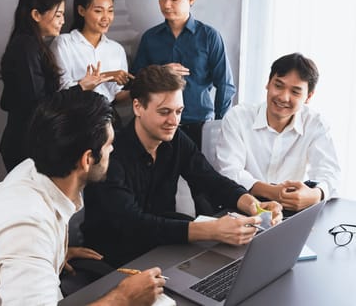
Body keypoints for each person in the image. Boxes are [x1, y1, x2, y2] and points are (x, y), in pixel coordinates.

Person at [0, 89, 165, 305]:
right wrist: (124, 298)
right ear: (87, 159)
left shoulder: (32, 169)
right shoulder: (28, 230)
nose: (112, 149)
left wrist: (52, 253)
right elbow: (27, 239)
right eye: (109, 144)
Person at [81, 65, 282, 268]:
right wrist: (212, 230)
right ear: (137, 107)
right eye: (164, 112)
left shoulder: (176, 139)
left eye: (179, 111)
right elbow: (132, 224)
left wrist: (253, 205)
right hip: (115, 255)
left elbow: (211, 180)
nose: (174, 121)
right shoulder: (111, 154)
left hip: (163, 246)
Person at [216, 53, 341, 214]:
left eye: (295, 92)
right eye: (279, 85)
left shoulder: (316, 124)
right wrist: (273, 192)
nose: (283, 97)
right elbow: (229, 172)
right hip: (243, 205)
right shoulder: (238, 117)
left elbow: (330, 173)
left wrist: (316, 195)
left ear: (308, 97)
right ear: (268, 83)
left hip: (292, 210)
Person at [131, 0, 236, 148]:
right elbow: (134, 82)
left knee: (199, 175)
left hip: (200, 123)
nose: (166, 5)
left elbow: (225, 84)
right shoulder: (150, 38)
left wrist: (219, 125)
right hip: (158, 125)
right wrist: (160, 73)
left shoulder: (209, 36)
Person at [0, 0, 70, 172]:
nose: (62, 21)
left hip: (30, 141)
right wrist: (81, 88)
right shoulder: (26, 47)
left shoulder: (31, 45)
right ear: (36, 15)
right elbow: (38, 102)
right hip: (26, 145)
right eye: (58, 15)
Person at [50, 0, 133, 104]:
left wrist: (140, 90)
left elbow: (116, 95)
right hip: (73, 115)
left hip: (106, 117)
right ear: (81, 10)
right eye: (98, 11)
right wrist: (106, 76)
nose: (106, 17)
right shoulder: (64, 43)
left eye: (110, 11)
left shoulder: (117, 49)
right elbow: (63, 89)